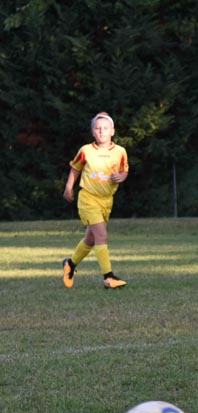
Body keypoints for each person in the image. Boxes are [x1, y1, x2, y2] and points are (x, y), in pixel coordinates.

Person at [61, 111, 129, 290]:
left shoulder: (120, 152)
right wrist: (68, 187)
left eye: (105, 128)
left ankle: (70, 265)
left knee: (91, 239)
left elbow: (124, 170)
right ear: (92, 132)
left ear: (112, 131)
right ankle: (109, 277)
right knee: (102, 236)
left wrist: (122, 177)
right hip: (88, 198)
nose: (101, 131)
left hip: (107, 201)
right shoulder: (86, 151)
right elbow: (75, 168)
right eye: (98, 128)